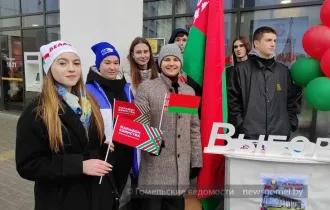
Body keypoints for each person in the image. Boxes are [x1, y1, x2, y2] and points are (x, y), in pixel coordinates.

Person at [15, 41, 118, 210]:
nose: (72, 69)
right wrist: (79, 166)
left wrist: (101, 147)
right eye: (62, 63)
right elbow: (28, 165)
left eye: (76, 63)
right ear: (49, 68)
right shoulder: (37, 111)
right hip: (61, 201)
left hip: (95, 197)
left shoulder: (88, 102)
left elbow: (84, 146)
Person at [134, 43, 202, 210]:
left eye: (175, 59)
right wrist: (150, 141)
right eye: (167, 59)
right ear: (160, 63)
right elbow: (139, 123)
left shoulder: (187, 91)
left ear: (181, 63)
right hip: (155, 170)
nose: (171, 63)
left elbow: (193, 128)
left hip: (179, 172)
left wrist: (196, 160)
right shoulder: (147, 88)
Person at [227, 26, 298, 140]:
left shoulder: (283, 71)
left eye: (274, 40)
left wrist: (290, 124)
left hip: (279, 135)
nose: (273, 44)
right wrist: (241, 126)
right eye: (268, 40)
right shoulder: (240, 70)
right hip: (249, 137)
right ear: (256, 43)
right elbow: (232, 102)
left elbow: (291, 101)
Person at [85, 42, 134, 201]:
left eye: (116, 62)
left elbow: (134, 120)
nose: (112, 67)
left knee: (119, 195)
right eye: (107, 63)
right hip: (102, 154)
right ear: (98, 65)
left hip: (125, 153)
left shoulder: (126, 89)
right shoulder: (88, 90)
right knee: (103, 197)